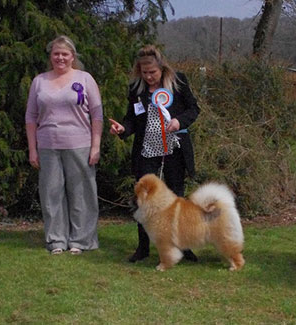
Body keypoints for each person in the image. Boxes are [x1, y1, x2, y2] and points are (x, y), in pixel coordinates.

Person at [108, 45, 200, 263]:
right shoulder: (136, 89)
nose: (149, 77)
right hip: (146, 150)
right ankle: (143, 247)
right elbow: (131, 119)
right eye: (144, 72)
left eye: (153, 72)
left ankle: (182, 244)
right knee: (144, 197)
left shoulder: (178, 82)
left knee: (176, 196)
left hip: (175, 149)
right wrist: (123, 129)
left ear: (162, 68)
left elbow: (194, 109)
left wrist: (179, 121)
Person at [25, 35, 103, 255]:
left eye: (64, 54)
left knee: (81, 194)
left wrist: (95, 146)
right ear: (51, 56)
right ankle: (56, 240)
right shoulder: (39, 81)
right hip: (48, 146)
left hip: (80, 144)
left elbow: (97, 114)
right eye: (56, 54)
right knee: (51, 194)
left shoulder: (85, 78)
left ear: (72, 57)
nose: (60, 58)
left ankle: (80, 240)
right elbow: (31, 117)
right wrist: (33, 148)